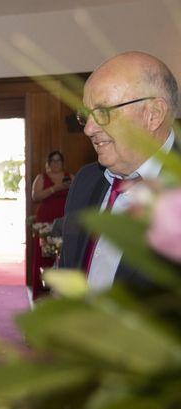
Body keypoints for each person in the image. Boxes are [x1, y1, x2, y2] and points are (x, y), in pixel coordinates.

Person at [60, 51, 179, 290]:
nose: (89, 129)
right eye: (87, 114)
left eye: (104, 112)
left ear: (153, 115)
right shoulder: (85, 181)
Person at [30, 150, 72, 299]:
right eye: (53, 161)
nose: (56, 163)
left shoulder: (70, 177)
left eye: (58, 160)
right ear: (48, 163)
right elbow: (35, 196)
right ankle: (43, 291)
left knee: (64, 253)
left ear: (62, 162)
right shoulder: (41, 177)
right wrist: (56, 188)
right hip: (46, 217)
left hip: (64, 217)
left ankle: (62, 290)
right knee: (44, 255)